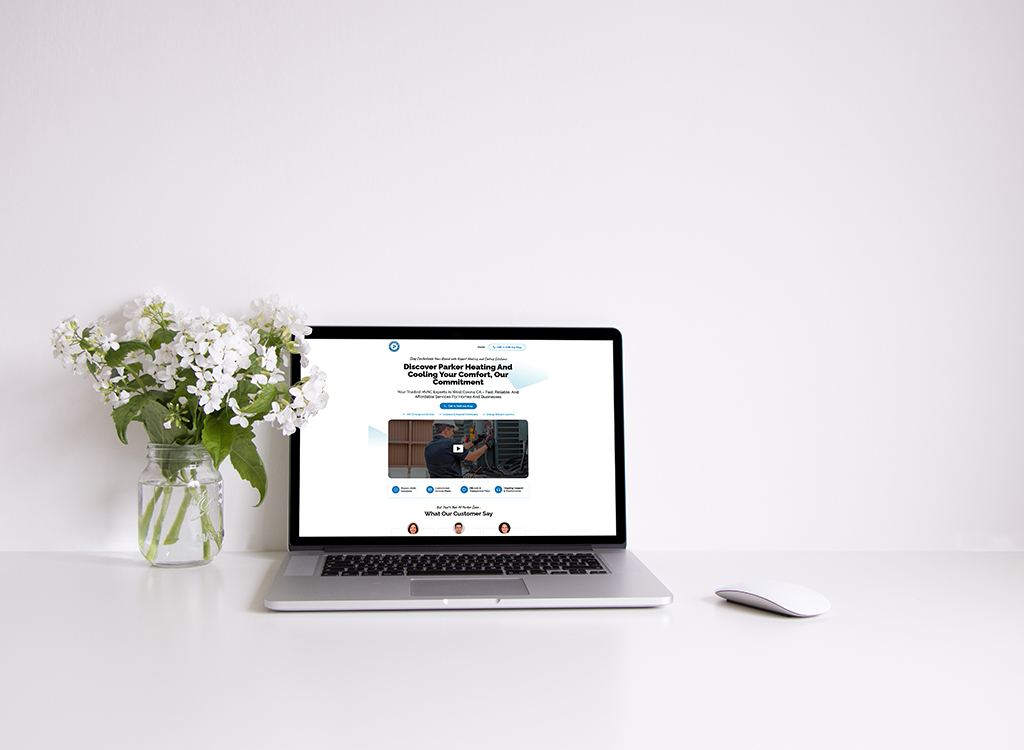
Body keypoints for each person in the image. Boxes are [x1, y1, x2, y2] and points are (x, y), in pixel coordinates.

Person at [423, 420, 490, 478]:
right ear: (446, 430)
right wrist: (487, 445)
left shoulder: (429, 447)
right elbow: (473, 456)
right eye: (452, 431)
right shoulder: (450, 444)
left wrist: (475, 442)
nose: (453, 434)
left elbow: (456, 449)